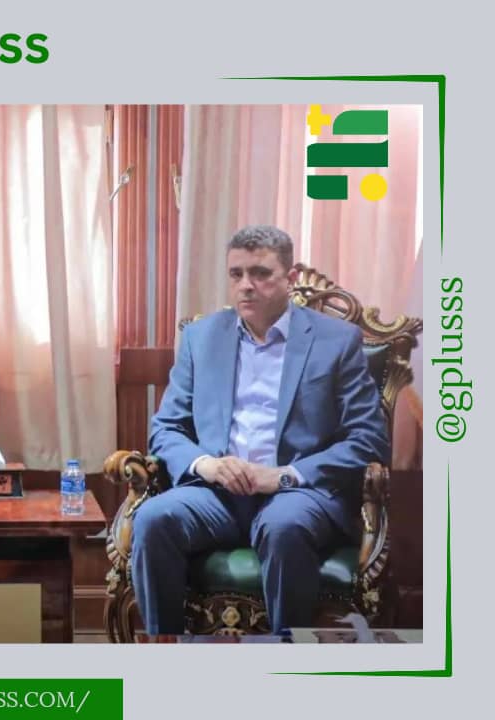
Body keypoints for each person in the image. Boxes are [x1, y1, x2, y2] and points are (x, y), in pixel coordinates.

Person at [132, 225, 389, 635]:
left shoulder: (337, 341)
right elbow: (166, 428)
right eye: (236, 274)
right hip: (216, 494)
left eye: (260, 273)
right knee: (152, 518)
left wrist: (285, 475)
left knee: (283, 525)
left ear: (289, 278)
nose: (245, 286)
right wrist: (207, 465)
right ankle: (165, 650)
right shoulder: (201, 338)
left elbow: (368, 438)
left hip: (297, 494)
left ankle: (286, 659)